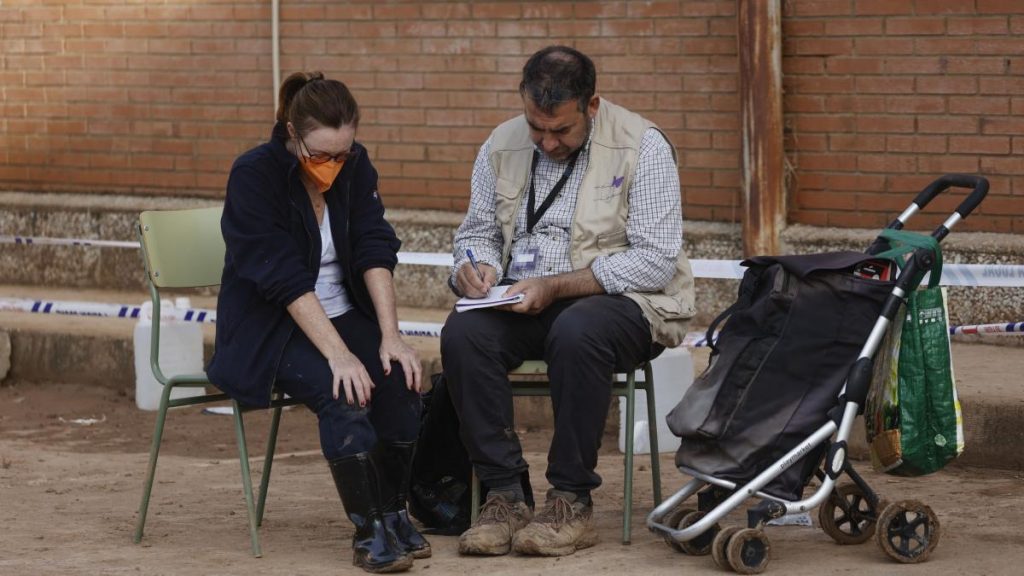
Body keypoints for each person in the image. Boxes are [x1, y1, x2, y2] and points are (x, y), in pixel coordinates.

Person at [441, 46, 695, 557]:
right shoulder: (501, 142)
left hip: (624, 303)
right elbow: (477, 232)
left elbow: (654, 262)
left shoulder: (642, 145)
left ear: (592, 106)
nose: (547, 142)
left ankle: (570, 500)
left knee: (578, 330)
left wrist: (556, 285)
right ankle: (505, 494)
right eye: (537, 127)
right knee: (463, 334)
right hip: (522, 297)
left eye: (560, 130)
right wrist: (474, 266)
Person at [206, 72, 428, 573]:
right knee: (345, 390)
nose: (332, 166)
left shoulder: (355, 165)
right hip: (271, 327)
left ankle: (394, 512)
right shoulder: (254, 174)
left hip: (342, 311)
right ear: (292, 133)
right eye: (320, 155)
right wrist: (338, 354)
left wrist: (392, 336)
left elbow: (375, 245)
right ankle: (368, 529)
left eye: (342, 154)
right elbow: (280, 276)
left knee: (400, 380)